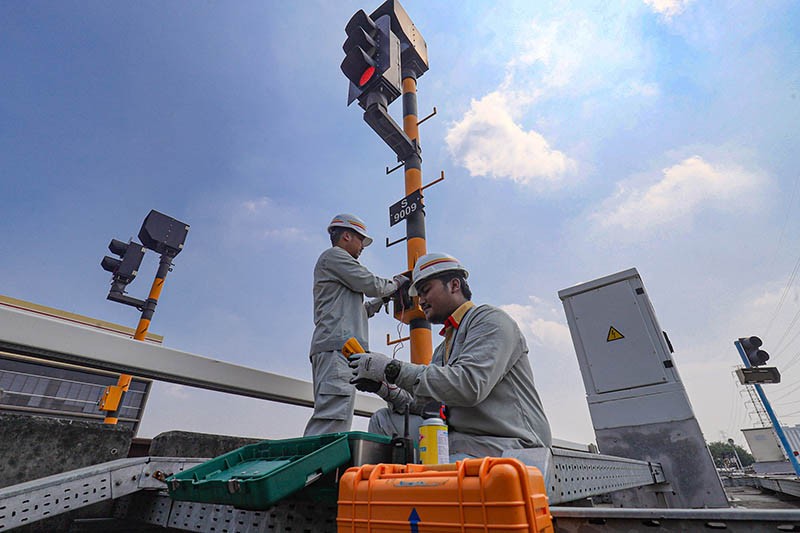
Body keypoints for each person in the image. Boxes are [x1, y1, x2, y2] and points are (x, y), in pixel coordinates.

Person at [348, 252, 552, 458]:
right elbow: (430, 404)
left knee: (436, 477)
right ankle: (380, 489)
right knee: (383, 420)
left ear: (454, 285)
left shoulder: (490, 320)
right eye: (419, 294)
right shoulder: (444, 347)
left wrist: (392, 368)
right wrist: (385, 388)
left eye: (426, 290)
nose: (421, 301)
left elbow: (469, 385)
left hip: (511, 444)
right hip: (465, 439)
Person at [304, 213, 407, 436]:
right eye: (361, 240)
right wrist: (396, 284)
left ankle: (323, 469)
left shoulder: (336, 270)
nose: (363, 247)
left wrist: (380, 301)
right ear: (347, 236)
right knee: (331, 420)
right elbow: (371, 284)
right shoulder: (335, 257)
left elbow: (357, 311)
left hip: (339, 349)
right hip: (337, 350)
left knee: (336, 417)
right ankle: (312, 469)